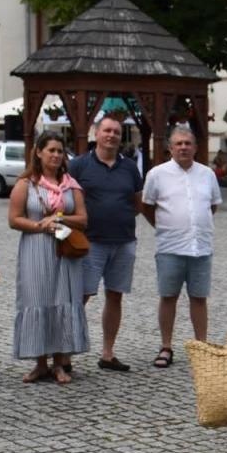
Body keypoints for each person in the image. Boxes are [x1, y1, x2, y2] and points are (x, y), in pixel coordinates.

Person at [9, 132, 89, 385]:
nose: (56, 155)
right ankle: (40, 363)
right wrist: (40, 227)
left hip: (65, 249)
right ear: (39, 152)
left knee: (62, 300)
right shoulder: (26, 184)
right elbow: (14, 219)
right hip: (36, 247)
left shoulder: (71, 184)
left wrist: (58, 219)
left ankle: (59, 363)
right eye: (51, 150)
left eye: (59, 151)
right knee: (38, 299)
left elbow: (83, 219)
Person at [69, 115, 144, 371]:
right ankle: (65, 353)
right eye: (107, 130)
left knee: (115, 296)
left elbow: (137, 203)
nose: (111, 135)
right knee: (82, 295)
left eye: (116, 131)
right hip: (90, 242)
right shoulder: (79, 165)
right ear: (96, 133)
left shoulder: (130, 167)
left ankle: (107, 353)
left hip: (123, 241)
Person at [142, 123, 221, 363]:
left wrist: (195, 223)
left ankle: (202, 346)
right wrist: (167, 225)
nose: (183, 147)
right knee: (168, 296)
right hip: (170, 247)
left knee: (199, 298)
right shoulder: (157, 174)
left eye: (188, 143)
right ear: (170, 148)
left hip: (201, 247)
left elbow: (213, 205)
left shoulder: (207, 174)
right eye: (179, 143)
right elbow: (147, 206)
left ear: (196, 148)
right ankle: (166, 346)